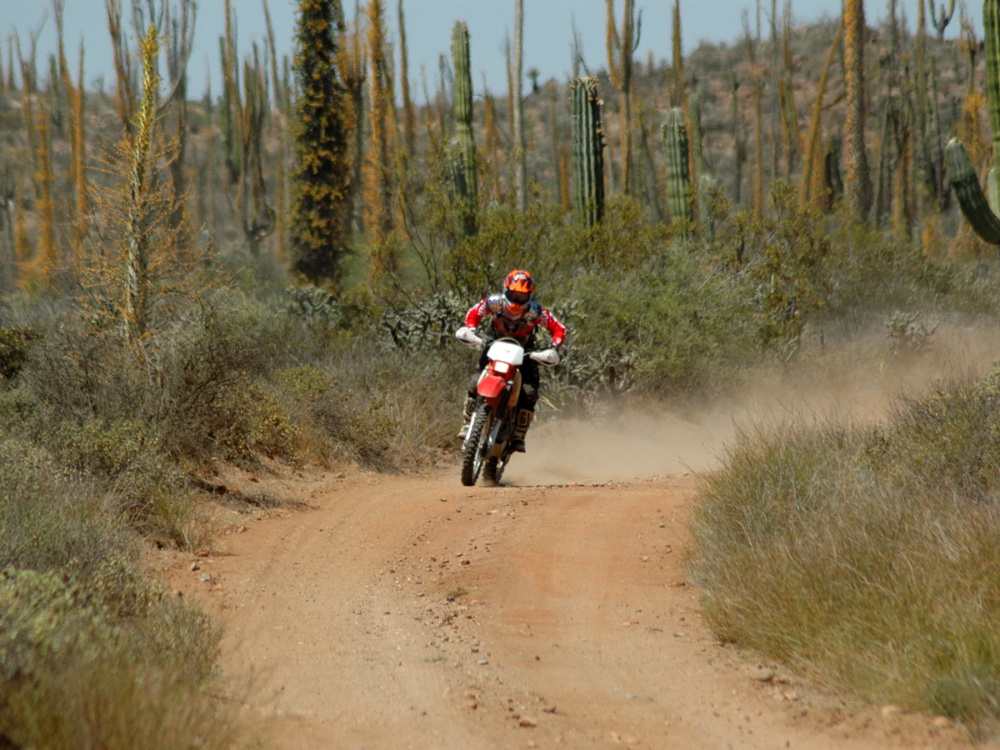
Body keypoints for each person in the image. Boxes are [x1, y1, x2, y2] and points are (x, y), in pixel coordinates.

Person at [456, 269, 566, 452]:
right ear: (506, 290)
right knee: (475, 381)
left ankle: (519, 435)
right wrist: (472, 331)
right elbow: (473, 314)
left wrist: (554, 348)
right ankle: (467, 422)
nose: (516, 300)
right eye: (513, 294)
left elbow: (559, 328)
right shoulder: (494, 303)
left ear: (529, 296)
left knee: (529, 392)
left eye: (521, 296)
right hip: (494, 345)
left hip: (524, 352)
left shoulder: (536, 311)